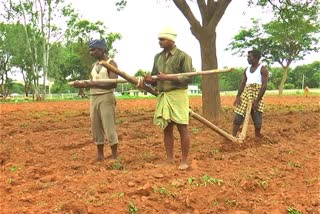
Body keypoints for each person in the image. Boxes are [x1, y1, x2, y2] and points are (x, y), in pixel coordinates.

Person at [144, 26, 193, 170]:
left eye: (162, 39)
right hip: (163, 95)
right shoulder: (157, 57)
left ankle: (184, 161)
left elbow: (189, 78)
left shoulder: (183, 56)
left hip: (178, 95)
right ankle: (169, 159)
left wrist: (168, 77)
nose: (159, 42)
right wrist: (149, 79)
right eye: (159, 39)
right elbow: (155, 78)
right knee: (167, 128)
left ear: (171, 40)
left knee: (182, 127)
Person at [73, 39, 119, 161]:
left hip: (106, 97)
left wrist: (90, 84)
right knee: (96, 126)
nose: (91, 52)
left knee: (109, 126)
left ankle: (114, 156)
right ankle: (100, 155)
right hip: (94, 98)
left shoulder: (111, 63)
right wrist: (84, 84)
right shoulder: (95, 66)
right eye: (90, 50)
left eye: (93, 50)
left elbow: (113, 84)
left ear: (102, 49)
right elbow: (91, 82)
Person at [232, 49, 269, 138]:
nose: (247, 59)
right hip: (246, 93)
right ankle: (232, 136)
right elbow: (243, 83)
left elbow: (264, 86)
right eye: (247, 57)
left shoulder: (263, 69)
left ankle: (257, 136)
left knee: (257, 119)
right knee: (238, 116)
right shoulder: (246, 70)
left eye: (249, 57)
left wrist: (256, 101)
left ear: (256, 58)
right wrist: (238, 96)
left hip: (257, 94)